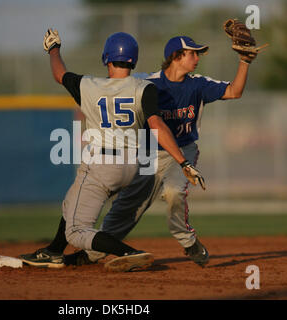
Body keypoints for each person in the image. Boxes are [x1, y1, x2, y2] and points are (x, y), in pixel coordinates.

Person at [19, 30, 205, 272]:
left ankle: (128, 252)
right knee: (73, 202)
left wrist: (53, 48)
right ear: (134, 60)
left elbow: (59, 74)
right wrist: (183, 162)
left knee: (76, 230)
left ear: (106, 58)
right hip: (132, 165)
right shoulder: (145, 88)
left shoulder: (89, 85)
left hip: (101, 164)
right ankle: (53, 250)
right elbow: (157, 126)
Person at [68, 35, 256, 268]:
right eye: (192, 53)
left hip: (183, 151)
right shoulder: (148, 83)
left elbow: (234, 91)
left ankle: (188, 242)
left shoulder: (197, 84)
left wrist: (245, 62)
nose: (197, 58)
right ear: (176, 56)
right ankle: (90, 255)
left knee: (175, 192)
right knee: (126, 208)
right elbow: (114, 86)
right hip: (149, 154)